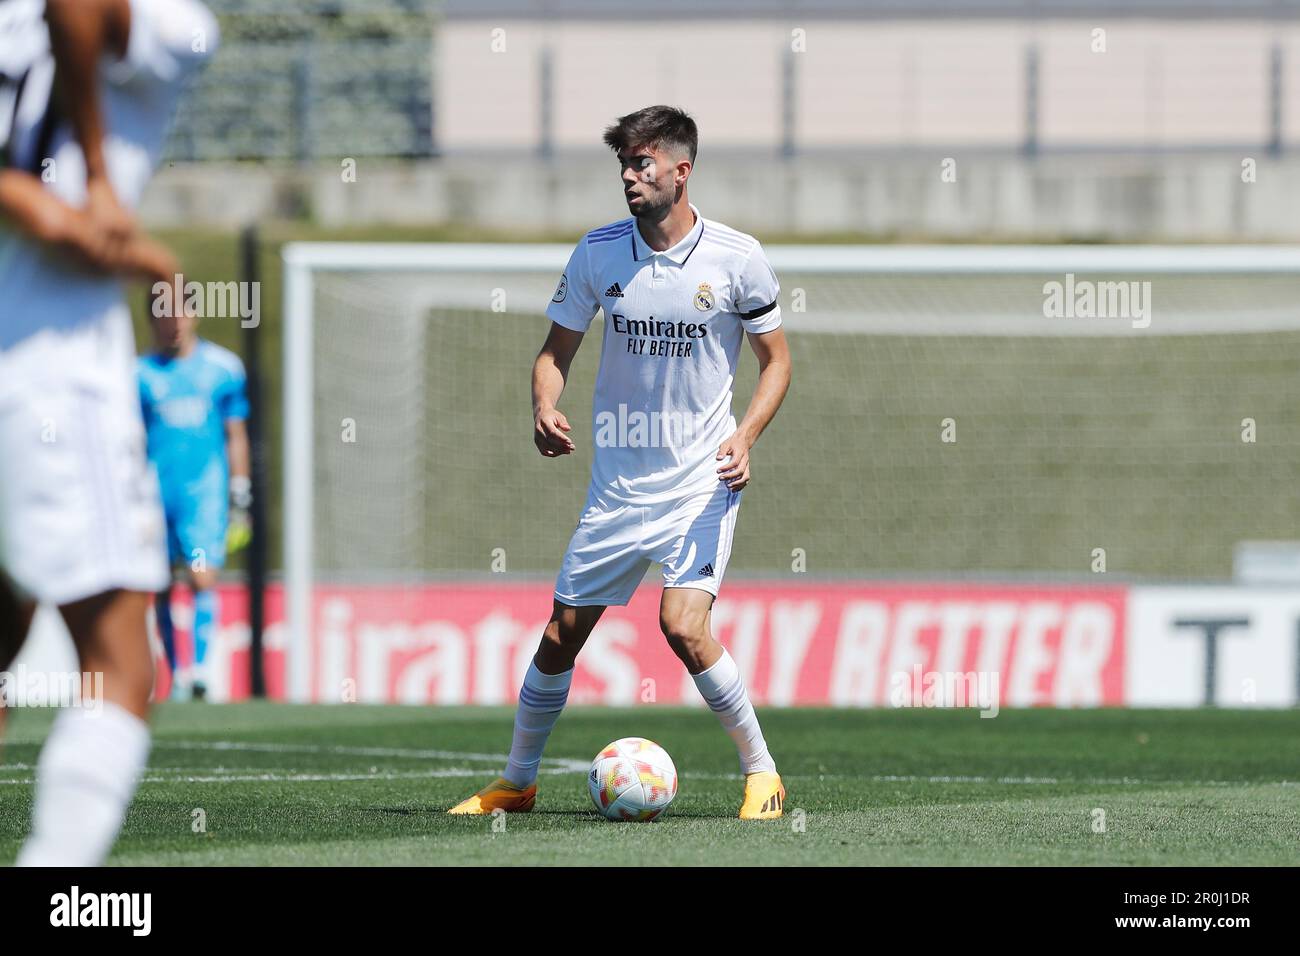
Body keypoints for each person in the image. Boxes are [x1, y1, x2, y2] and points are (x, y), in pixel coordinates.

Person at [450, 105, 793, 820]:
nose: (630, 177)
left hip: (702, 481)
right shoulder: (599, 252)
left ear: (681, 169)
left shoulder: (737, 256)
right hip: (618, 487)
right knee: (561, 634)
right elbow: (554, 353)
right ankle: (518, 782)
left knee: (683, 625)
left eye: (642, 164)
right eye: (623, 166)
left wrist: (747, 436)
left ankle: (762, 774)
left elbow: (777, 363)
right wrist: (545, 404)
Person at [0, 0, 218, 865]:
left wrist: (41, 206)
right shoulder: (182, 26)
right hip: (48, 369)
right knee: (122, 660)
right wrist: (92, 172)